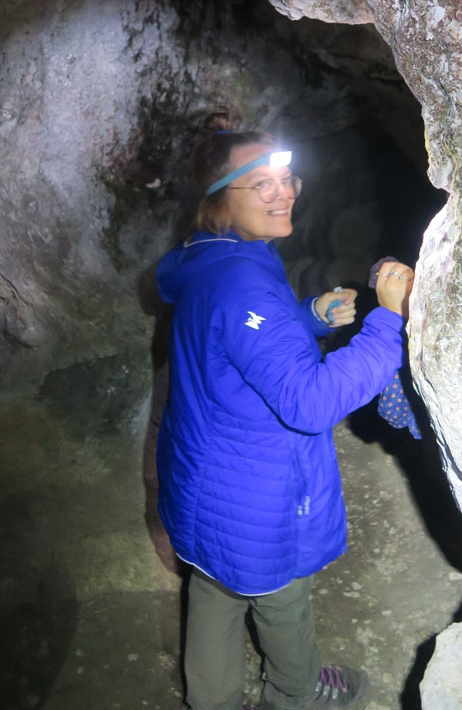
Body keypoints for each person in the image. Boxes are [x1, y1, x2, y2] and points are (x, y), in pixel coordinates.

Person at [155, 120, 414, 710]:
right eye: (261, 184)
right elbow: (310, 401)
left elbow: (240, 341)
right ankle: (295, 694)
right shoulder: (244, 283)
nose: (285, 193)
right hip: (252, 495)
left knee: (215, 590)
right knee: (282, 598)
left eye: (287, 178)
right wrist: (387, 320)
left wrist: (310, 316)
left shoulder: (212, 257)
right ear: (220, 200)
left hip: (203, 482)